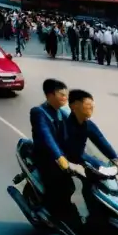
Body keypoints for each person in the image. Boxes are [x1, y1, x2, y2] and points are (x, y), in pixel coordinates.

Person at [60, 89, 118, 235]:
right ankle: (66, 221)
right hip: (61, 161)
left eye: (92, 106)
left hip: (79, 158)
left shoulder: (88, 125)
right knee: (68, 191)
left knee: (104, 177)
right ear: (75, 106)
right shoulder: (63, 126)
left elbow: (101, 140)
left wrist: (116, 159)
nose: (91, 109)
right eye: (88, 105)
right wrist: (68, 164)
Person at [29, 79, 74, 225]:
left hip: (63, 154)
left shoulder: (62, 112)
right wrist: (59, 156)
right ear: (49, 95)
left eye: (66, 94)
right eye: (61, 94)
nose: (65, 97)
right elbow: (46, 136)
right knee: (60, 183)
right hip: (46, 157)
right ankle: (47, 212)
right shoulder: (38, 112)